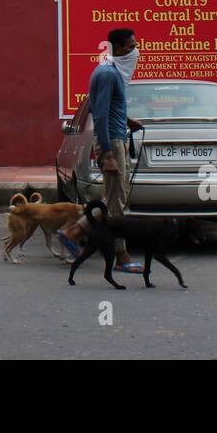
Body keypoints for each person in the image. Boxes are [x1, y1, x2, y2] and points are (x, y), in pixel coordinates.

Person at [55, 27, 144, 271]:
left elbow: (102, 107)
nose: (134, 51)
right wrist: (106, 154)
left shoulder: (111, 72)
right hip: (112, 143)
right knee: (117, 203)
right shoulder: (107, 74)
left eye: (135, 45)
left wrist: (126, 120)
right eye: (130, 46)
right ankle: (121, 256)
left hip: (116, 137)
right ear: (115, 47)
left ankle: (72, 233)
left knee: (113, 199)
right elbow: (100, 115)